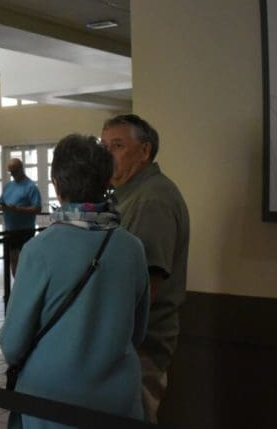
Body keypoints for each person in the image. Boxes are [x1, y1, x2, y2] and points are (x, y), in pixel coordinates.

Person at [0, 134, 150, 428]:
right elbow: (138, 332)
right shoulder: (132, 247)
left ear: (56, 184)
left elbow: (13, 345)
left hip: (52, 401)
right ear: (107, 181)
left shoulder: (40, 249)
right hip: (118, 398)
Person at [101, 114, 190, 423]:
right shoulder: (126, 196)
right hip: (124, 343)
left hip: (141, 346)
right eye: (104, 146)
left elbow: (146, 288)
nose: (107, 154)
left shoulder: (152, 198)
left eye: (117, 145)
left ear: (145, 151)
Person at [0, 158, 42, 277]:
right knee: (13, 260)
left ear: (21, 169)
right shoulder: (8, 186)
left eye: (14, 171)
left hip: (25, 230)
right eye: (10, 172)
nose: (12, 174)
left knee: (26, 262)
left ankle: (27, 287)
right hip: (10, 230)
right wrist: (2, 207)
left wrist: (18, 209)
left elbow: (37, 208)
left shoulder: (31, 187)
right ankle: (16, 286)